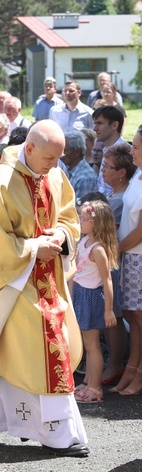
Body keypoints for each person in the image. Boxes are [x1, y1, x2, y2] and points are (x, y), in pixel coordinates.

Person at [0, 120, 87, 457]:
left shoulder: (53, 175)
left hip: (46, 279)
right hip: (7, 283)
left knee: (14, 349)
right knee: (40, 343)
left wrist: (61, 236)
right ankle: (57, 433)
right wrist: (32, 248)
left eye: (59, 159)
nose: (54, 166)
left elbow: (70, 216)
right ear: (29, 149)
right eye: (49, 159)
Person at [71, 201, 117, 403]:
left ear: (96, 223)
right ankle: (88, 381)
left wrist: (108, 310)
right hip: (81, 295)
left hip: (91, 297)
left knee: (93, 345)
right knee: (87, 344)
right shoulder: (84, 242)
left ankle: (95, 388)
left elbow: (107, 281)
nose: (80, 221)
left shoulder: (98, 249)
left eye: (84, 219)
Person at [110, 126, 142, 396]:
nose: (132, 151)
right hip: (130, 257)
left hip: (138, 257)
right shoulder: (139, 174)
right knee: (133, 315)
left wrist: (115, 249)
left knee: (140, 318)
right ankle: (132, 372)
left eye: (137, 147)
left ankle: (138, 375)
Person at [99, 145, 134, 386]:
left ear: (121, 172)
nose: (102, 170)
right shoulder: (114, 196)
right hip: (109, 260)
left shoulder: (120, 200)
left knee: (114, 314)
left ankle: (115, 364)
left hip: (114, 262)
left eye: (107, 167)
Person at [62, 131, 97, 202]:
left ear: (77, 152)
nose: (61, 154)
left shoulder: (86, 178)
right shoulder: (69, 170)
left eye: (64, 150)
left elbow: (81, 209)